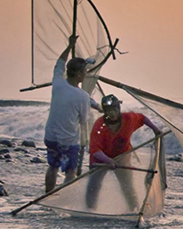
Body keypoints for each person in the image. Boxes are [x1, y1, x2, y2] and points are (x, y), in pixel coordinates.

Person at [43, 35, 99, 192]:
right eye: (85, 72)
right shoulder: (82, 96)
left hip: (51, 136)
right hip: (68, 140)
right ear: (79, 75)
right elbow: (83, 120)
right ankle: (65, 201)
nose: (86, 74)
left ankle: (48, 196)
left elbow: (59, 63)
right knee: (70, 171)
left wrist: (70, 46)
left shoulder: (57, 82)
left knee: (52, 166)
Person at [86, 94, 161, 208]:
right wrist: (108, 161)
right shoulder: (99, 125)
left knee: (128, 187)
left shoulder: (129, 119)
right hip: (100, 159)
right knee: (93, 186)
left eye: (114, 110)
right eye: (108, 111)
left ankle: (134, 210)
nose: (112, 113)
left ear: (119, 109)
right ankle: (89, 209)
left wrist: (155, 129)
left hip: (122, 157)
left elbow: (143, 118)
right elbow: (94, 149)